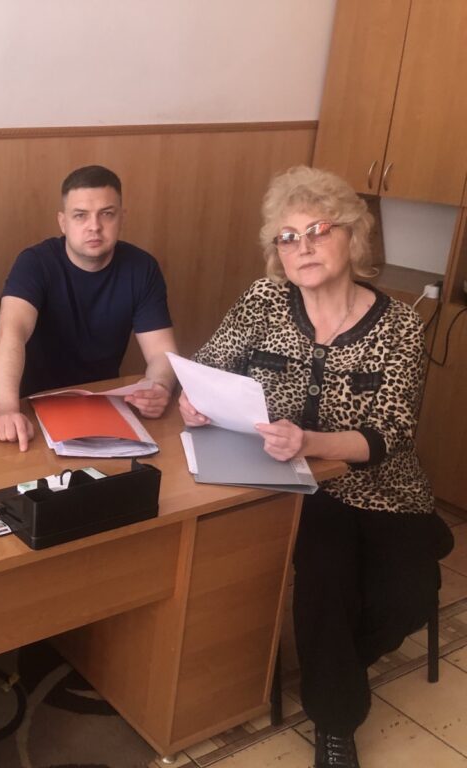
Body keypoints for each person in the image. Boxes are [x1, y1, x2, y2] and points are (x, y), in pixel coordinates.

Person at [178, 166, 453, 768]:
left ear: (353, 236)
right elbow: (208, 365)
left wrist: (311, 440)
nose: (301, 247)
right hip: (297, 491)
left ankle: (331, 667)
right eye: (288, 237)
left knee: (410, 597)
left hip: (384, 491)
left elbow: (391, 434)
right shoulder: (264, 300)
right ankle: (336, 723)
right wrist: (194, 399)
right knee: (326, 583)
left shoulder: (400, 325)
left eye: (318, 230)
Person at [0, 165, 178, 451]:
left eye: (107, 214)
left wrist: (159, 387)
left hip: (100, 402)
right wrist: (5, 409)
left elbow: (162, 352)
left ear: (122, 218)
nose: (94, 226)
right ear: (63, 222)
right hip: (32, 404)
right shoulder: (35, 263)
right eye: (81, 215)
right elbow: (9, 334)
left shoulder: (142, 268)